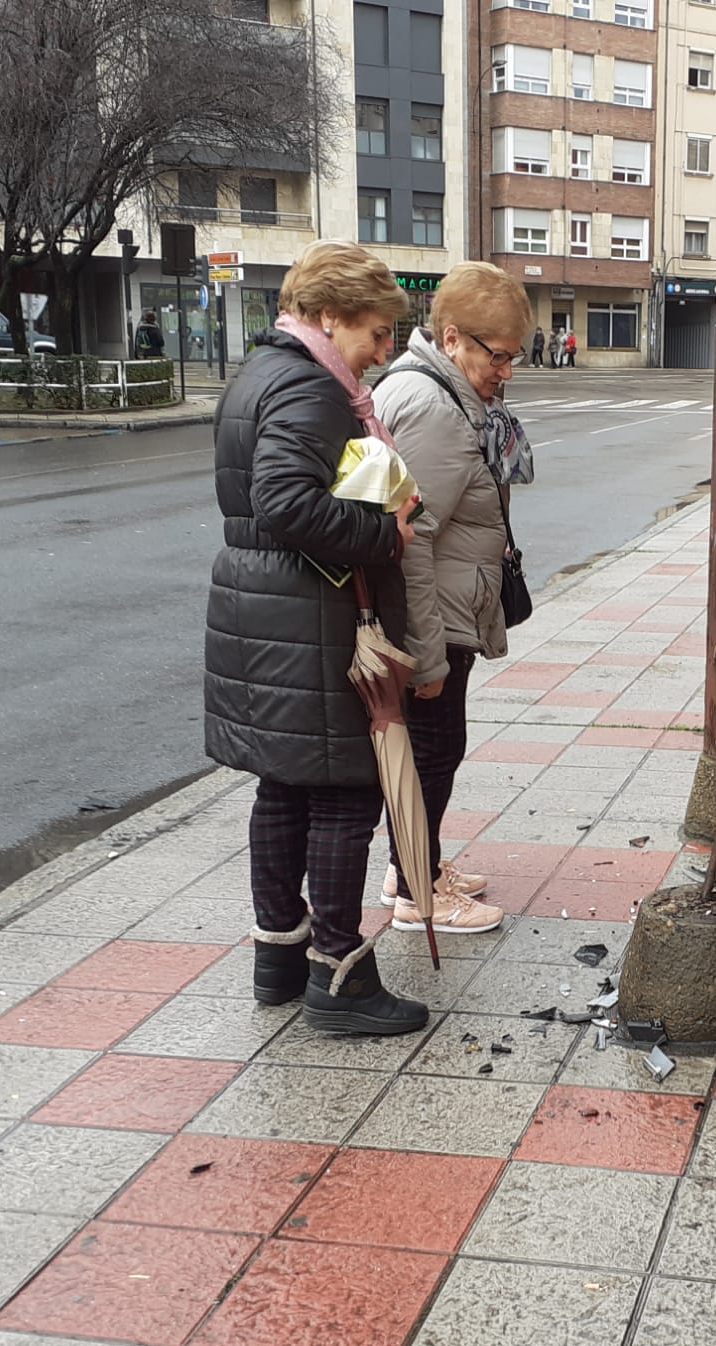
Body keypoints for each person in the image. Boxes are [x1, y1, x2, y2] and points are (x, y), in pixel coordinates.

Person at [204, 241, 430, 1037]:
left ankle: (280, 957)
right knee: (343, 790)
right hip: (309, 614)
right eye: (374, 333)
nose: (384, 351)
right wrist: (387, 534)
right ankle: (340, 977)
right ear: (329, 318)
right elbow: (287, 506)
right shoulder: (311, 387)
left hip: (264, 610)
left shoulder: (265, 371)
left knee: (284, 785)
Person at [374, 262, 536, 935]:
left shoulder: (445, 397)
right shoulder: (434, 411)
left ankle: (411, 865)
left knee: (429, 749)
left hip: (444, 606)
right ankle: (417, 891)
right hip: (430, 616)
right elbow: (409, 538)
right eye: (497, 355)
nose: (506, 371)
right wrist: (427, 654)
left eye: (513, 356)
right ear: (451, 339)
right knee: (434, 750)